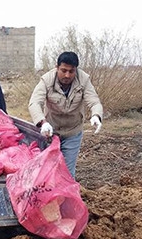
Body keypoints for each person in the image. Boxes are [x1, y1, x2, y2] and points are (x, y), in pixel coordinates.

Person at [28, 51, 103, 179]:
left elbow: (94, 101)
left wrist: (96, 115)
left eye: (71, 71)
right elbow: (34, 103)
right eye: (63, 70)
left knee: (67, 172)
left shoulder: (84, 79)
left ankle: (65, 198)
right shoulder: (47, 80)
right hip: (50, 131)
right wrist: (42, 122)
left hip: (72, 132)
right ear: (57, 67)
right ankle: (48, 197)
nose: (67, 75)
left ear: (76, 70)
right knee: (47, 169)